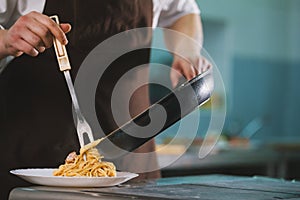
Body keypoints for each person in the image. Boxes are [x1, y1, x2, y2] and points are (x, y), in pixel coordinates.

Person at [0, 0, 205, 199]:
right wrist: (6, 39)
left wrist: (187, 50)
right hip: (34, 148)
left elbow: (182, 11)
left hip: (134, 154)